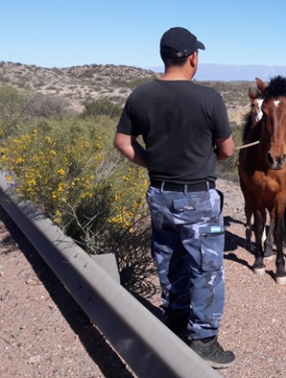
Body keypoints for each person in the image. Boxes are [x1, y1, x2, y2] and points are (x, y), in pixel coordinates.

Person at [113, 26, 236, 368]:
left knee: (169, 260)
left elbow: (123, 142)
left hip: (160, 195)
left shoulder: (140, 96)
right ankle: (204, 340)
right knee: (206, 267)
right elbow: (226, 151)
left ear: (165, 57)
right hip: (198, 200)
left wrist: (152, 161)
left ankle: (176, 322)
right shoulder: (209, 99)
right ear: (193, 58)